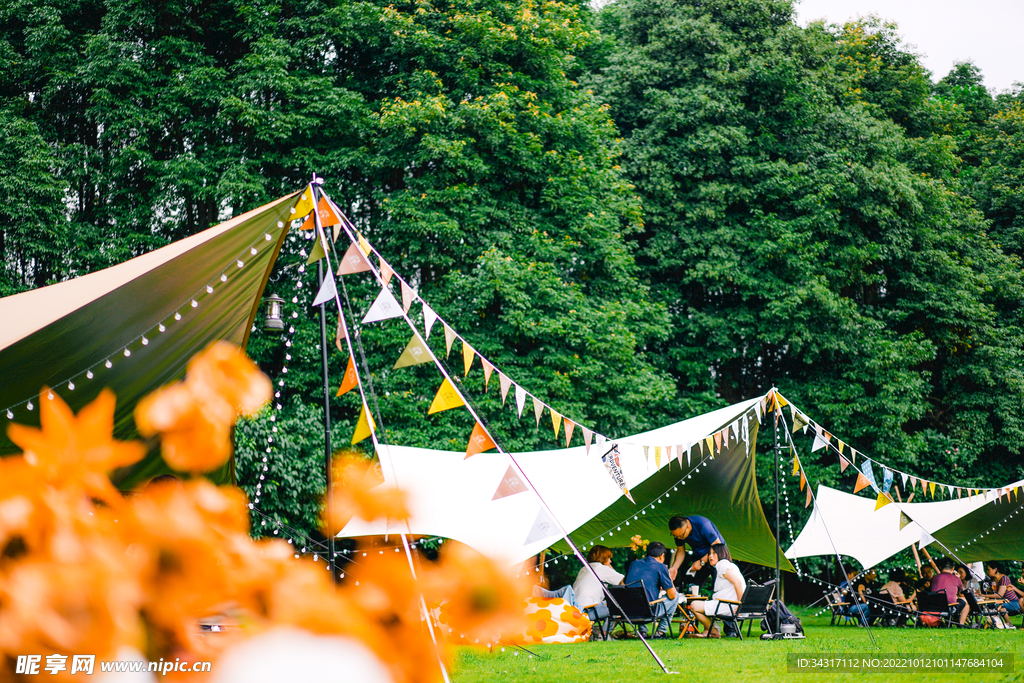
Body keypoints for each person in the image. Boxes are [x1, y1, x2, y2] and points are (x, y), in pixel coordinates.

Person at [623, 541, 682, 638]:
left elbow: (624, 584)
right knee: (676, 597)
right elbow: (672, 595)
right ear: (662, 556)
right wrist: (669, 579)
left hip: (629, 611)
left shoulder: (634, 564)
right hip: (648, 613)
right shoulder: (661, 567)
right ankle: (661, 632)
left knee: (639, 597)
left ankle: (643, 631)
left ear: (646, 554)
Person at [687, 543, 745, 639]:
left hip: (729, 606)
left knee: (694, 605)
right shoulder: (731, 566)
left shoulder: (722, 565)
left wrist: (740, 605)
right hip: (727, 604)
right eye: (709, 553)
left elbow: (737, 583)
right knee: (706, 605)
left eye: (714, 553)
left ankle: (714, 632)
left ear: (721, 554)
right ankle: (708, 631)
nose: (710, 556)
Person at [667, 515, 723, 591]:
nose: (679, 538)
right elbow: (680, 551)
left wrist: (701, 562)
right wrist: (674, 567)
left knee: (719, 588)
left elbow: (718, 547)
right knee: (693, 588)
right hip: (699, 557)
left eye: (681, 535)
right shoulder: (679, 533)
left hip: (717, 557)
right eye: (676, 536)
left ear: (687, 526)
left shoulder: (703, 525)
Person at [571, 545, 624, 623]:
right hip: (588, 612)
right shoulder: (602, 569)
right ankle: (605, 633)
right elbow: (622, 582)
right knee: (617, 605)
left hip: (574, 611)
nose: (610, 561)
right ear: (603, 558)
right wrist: (609, 566)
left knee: (609, 604)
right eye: (608, 558)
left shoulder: (584, 568)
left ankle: (602, 632)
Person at [931, 557, 971, 627]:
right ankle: (960, 624)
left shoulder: (934, 578)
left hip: (934, 606)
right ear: (953, 568)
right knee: (966, 602)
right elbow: (961, 594)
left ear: (940, 567)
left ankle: (950, 622)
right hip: (949, 608)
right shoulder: (956, 579)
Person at [984, 561, 1020, 629]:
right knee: (989, 605)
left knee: (998, 605)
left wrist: (983, 595)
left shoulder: (1004, 578)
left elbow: (999, 595)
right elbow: (993, 594)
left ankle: (1008, 624)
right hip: (1002, 602)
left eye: (988, 569)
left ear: (995, 569)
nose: (987, 571)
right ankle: (996, 623)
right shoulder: (992, 580)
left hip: (1013, 603)